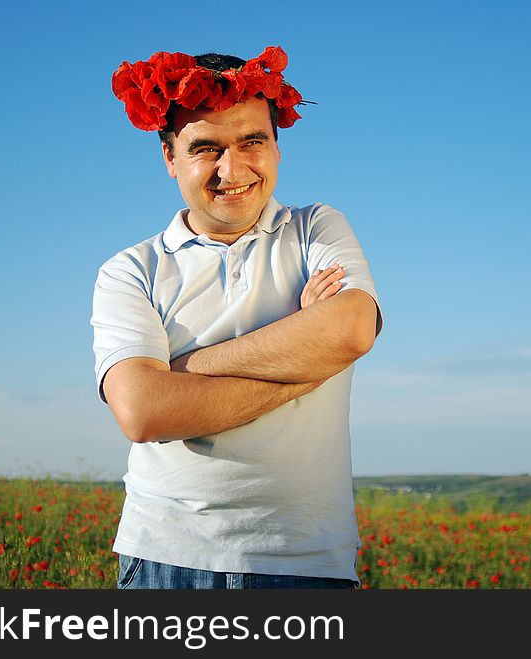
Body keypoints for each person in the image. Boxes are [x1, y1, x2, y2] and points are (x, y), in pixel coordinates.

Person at [91, 46, 383, 589]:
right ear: (170, 159)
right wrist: (311, 365)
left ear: (276, 146)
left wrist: (183, 371)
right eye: (206, 148)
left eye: (254, 141)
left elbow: (350, 328)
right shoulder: (130, 270)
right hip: (165, 558)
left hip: (306, 558)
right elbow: (143, 413)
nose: (234, 169)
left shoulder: (316, 228)